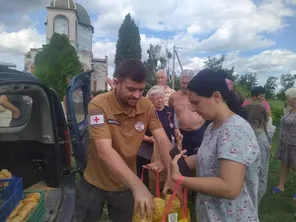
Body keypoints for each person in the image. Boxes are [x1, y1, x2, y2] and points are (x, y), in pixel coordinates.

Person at [74, 59, 176, 222]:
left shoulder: (146, 106)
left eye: (141, 90)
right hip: (95, 181)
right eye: (131, 89)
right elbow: (103, 150)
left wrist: (171, 173)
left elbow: (163, 140)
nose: (137, 95)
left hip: (125, 182)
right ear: (116, 83)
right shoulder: (98, 105)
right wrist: (138, 186)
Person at [170, 68, 261, 222]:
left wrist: (180, 180)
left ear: (216, 96)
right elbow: (208, 156)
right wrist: (174, 162)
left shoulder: (233, 131)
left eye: (196, 103)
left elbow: (229, 187)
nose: (192, 109)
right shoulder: (213, 126)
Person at [137, 85, 181, 188]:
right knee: (147, 175)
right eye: (156, 98)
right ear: (151, 100)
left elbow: (175, 127)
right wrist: (149, 139)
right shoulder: (145, 112)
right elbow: (137, 132)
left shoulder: (170, 111)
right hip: (147, 150)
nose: (160, 100)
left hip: (167, 148)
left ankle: (165, 194)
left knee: (167, 170)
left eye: (161, 97)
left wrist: (177, 133)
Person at [169, 69, 205, 156]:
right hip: (182, 135)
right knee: (182, 162)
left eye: (187, 83)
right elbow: (171, 115)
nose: (185, 85)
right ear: (180, 81)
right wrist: (175, 129)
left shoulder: (200, 95)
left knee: (200, 159)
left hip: (199, 133)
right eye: (183, 82)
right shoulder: (174, 97)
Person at [273, 87, 296, 201]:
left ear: (294, 98)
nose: (287, 99)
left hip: (295, 144)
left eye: (288, 97)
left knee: (294, 166)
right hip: (285, 143)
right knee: (284, 164)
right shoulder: (289, 110)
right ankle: (281, 185)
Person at [245, 103, 270, 204]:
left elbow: (259, 169)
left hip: (255, 186)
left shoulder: (259, 141)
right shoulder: (254, 135)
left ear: (257, 122)